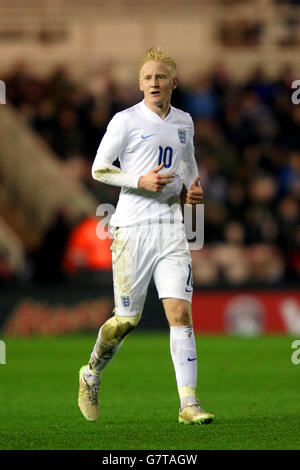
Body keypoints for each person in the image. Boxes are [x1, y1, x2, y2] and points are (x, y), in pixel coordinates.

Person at [78, 47, 214, 425]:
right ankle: (90, 374)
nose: (155, 82)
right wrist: (140, 180)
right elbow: (99, 169)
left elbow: (188, 166)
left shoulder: (185, 121)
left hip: (171, 228)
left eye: (161, 76)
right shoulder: (124, 121)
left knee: (180, 313)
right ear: (140, 84)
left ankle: (189, 404)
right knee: (126, 320)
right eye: (148, 77)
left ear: (174, 82)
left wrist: (191, 191)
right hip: (132, 229)